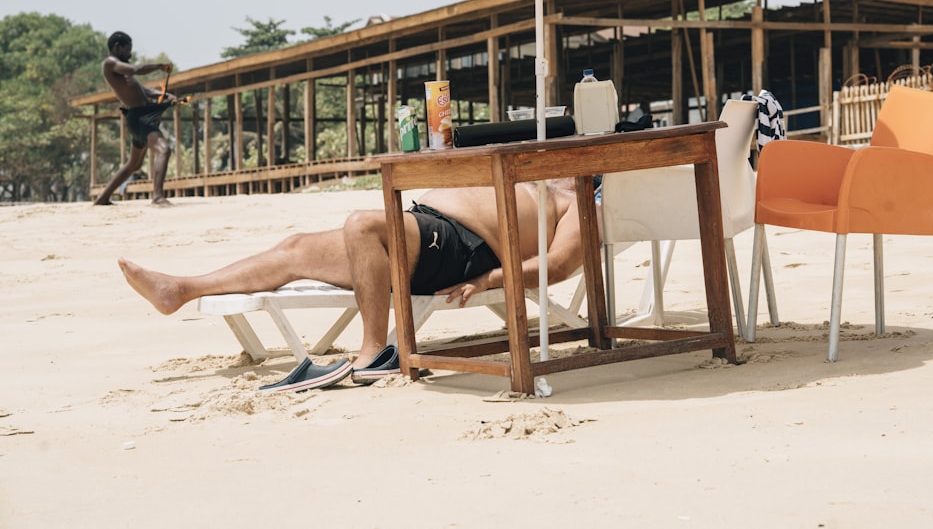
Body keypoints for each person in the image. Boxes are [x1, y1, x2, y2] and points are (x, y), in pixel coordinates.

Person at [119, 179, 587, 375]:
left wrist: (491, 279)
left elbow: (562, 264)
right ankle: (181, 290)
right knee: (296, 248)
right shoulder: (536, 170)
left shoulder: (581, 203)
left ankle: (375, 350)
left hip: (462, 248)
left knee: (363, 223)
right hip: (423, 227)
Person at [94, 31, 175, 206]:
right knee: (163, 150)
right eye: (128, 49)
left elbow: (143, 90)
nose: (130, 54)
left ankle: (103, 198)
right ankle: (158, 196)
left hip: (141, 117)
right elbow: (135, 70)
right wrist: (160, 66)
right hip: (139, 118)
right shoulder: (111, 63)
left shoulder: (123, 70)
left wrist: (163, 95)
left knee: (134, 164)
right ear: (117, 47)